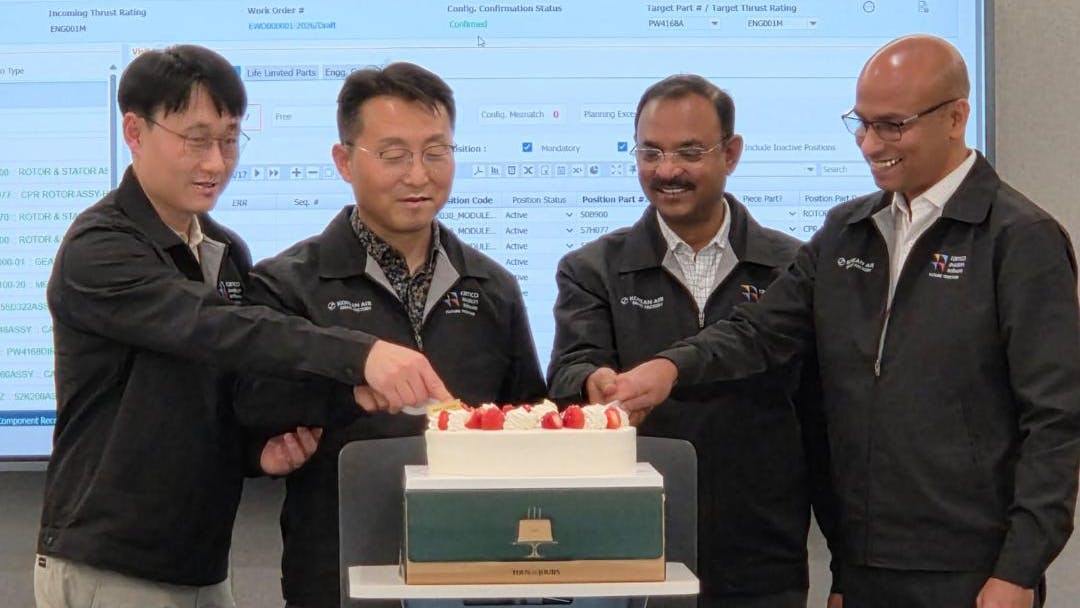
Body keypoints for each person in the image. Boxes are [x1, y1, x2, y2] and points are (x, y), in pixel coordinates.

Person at [611, 35, 1080, 608]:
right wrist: (668, 367)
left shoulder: (1018, 239)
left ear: (956, 117)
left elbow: (1056, 420)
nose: (869, 144)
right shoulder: (846, 231)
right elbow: (759, 331)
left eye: (892, 126)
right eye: (860, 124)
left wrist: (1019, 570)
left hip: (974, 571)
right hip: (866, 567)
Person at [35, 45, 451, 608]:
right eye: (196, 139)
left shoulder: (225, 250)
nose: (216, 163)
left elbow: (218, 390)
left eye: (229, 140)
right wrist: (363, 354)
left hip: (202, 563)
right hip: (112, 562)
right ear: (134, 131)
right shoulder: (100, 248)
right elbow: (214, 327)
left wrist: (258, 450)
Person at [233, 62, 547, 608]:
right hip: (339, 574)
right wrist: (347, 393)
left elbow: (527, 419)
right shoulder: (287, 284)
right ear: (344, 161)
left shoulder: (493, 287)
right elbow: (250, 403)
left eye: (435, 151)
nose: (419, 175)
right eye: (395, 154)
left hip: (478, 572)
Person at [547, 74, 840, 608]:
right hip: (626, 550)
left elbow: (824, 422)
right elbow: (568, 369)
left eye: (688, 152)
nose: (667, 171)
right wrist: (593, 383)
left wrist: (845, 567)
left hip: (760, 557)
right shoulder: (592, 269)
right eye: (650, 152)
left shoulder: (794, 269)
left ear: (731, 153)